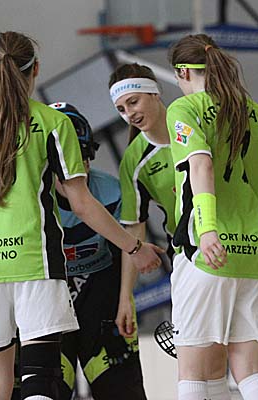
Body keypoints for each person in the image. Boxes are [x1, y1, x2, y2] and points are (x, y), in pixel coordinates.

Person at [0, 31, 162, 400]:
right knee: (40, 377)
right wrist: (135, 247)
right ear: (36, 69)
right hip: (35, 264)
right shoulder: (52, 123)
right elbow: (82, 204)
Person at [166, 34, 258, 400]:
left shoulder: (184, 109)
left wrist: (207, 230)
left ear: (182, 72)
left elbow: (201, 166)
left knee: (192, 372)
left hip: (207, 254)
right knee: (250, 372)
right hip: (257, 253)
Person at [49, 102, 147, 399]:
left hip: (101, 291)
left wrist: (126, 299)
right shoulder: (33, 200)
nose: (76, 170)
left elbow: (127, 250)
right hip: (50, 298)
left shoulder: (112, 191)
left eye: (82, 158)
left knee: (121, 389)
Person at [107, 63, 176, 341]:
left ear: (154, 93)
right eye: (121, 109)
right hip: (189, 256)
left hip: (237, 241)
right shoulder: (134, 160)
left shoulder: (195, 124)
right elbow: (134, 227)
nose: (129, 114)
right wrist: (126, 297)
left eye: (133, 102)